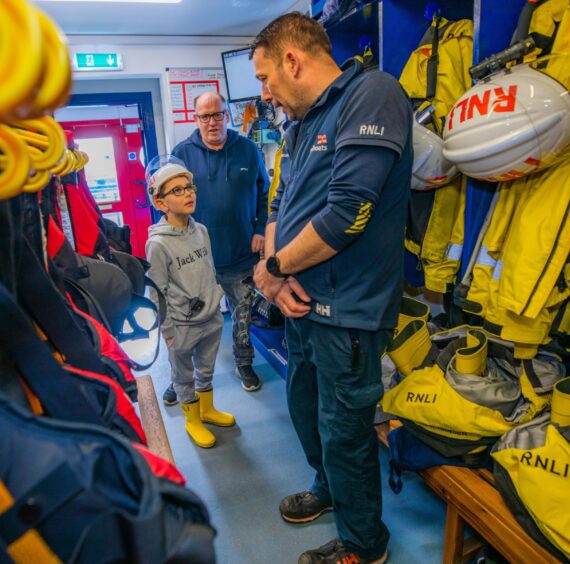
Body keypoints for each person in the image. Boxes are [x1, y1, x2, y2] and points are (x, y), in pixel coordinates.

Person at [251, 13, 413, 564]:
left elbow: (349, 213)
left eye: (266, 78)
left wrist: (272, 267)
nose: (266, 92)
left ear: (292, 61)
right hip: (297, 301)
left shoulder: (371, 93)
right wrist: (274, 280)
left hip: (346, 308)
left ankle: (364, 545)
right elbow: (280, 204)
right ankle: (328, 491)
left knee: (344, 430)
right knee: (305, 408)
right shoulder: (299, 125)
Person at [165, 91, 269, 403]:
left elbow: (265, 194)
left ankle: (244, 363)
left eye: (217, 114)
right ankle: (181, 379)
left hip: (240, 252)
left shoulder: (248, 150)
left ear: (227, 115)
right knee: (190, 322)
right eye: (204, 116)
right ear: (195, 119)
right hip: (196, 259)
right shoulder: (182, 153)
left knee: (242, 315)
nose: (212, 122)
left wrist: (261, 229)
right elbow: (169, 202)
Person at [145, 161, 235, 448]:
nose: (188, 194)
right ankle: (191, 418)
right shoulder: (158, 245)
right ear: (161, 202)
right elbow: (156, 291)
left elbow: (208, 269)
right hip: (181, 326)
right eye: (178, 190)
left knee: (205, 368)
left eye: (189, 187)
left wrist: (216, 297)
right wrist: (168, 330)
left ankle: (206, 410)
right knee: (183, 375)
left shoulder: (202, 231)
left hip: (211, 317)